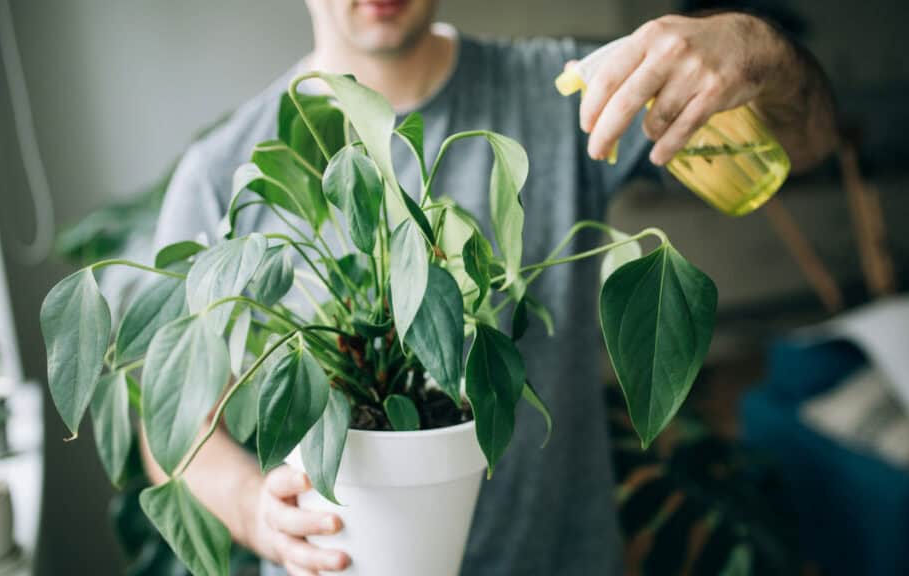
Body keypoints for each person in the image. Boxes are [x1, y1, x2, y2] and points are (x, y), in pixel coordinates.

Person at [146, 1, 836, 574]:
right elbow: (170, 420)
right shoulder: (231, 173)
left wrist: (756, 50)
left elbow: (806, 148)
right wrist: (249, 508)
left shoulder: (564, 91)